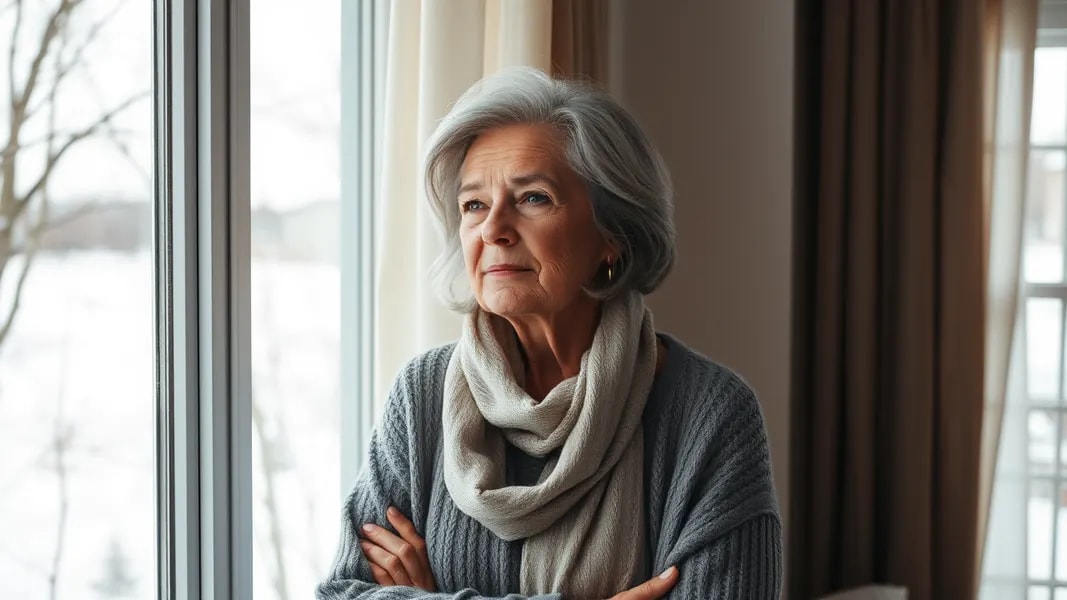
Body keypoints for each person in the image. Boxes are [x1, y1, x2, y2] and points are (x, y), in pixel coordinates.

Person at [317, 67, 781, 600]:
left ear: (613, 233)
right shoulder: (422, 395)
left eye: (533, 197)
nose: (493, 229)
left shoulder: (711, 415)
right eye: (473, 205)